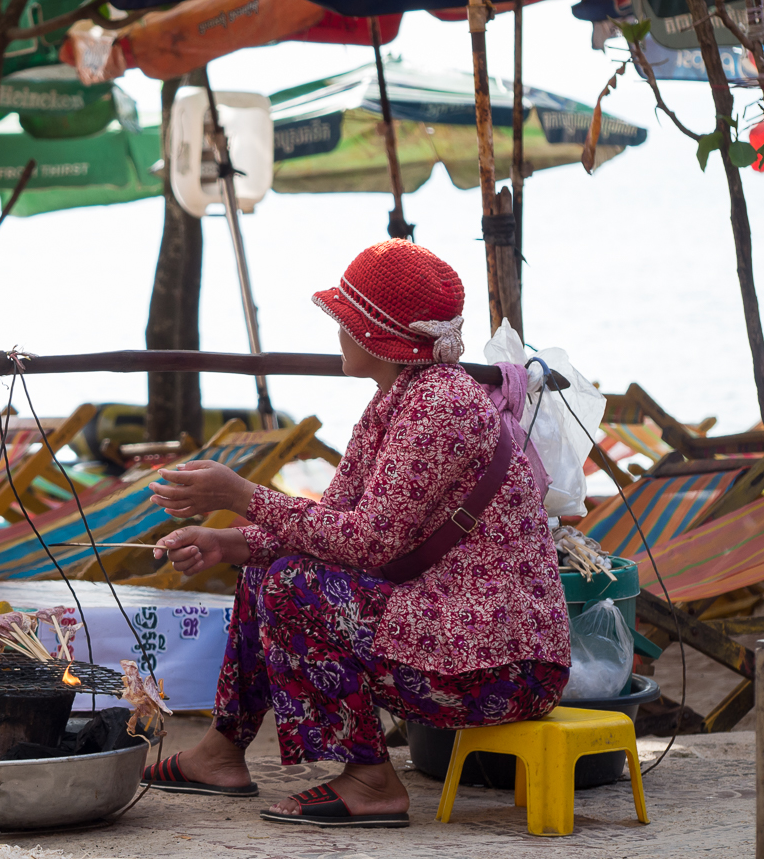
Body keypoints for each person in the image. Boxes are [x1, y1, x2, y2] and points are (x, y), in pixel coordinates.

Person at [142, 240, 570, 829]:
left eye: (346, 318)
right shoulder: (398, 400)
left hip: (504, 666)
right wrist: (232, 543)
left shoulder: (440, 405)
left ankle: (370, 780)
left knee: (292, 585)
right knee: (268, 572)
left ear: (376, 332)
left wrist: (241, 496)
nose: (339, 331)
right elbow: (335, 523)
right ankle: (222, 751)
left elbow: (367, 544)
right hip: (453, 637)